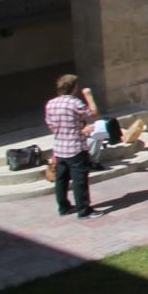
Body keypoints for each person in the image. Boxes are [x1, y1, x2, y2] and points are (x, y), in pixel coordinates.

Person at [46, 74, 101, 217]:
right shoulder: (75, 103)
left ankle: (63, 207)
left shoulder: (51, 104)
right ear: (74, 88)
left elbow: (51, 126)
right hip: (75, 147)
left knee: (61, 179)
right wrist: (88, 96)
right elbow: (93, 114)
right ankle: (84, 210)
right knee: (79, 180)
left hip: (59, 147)